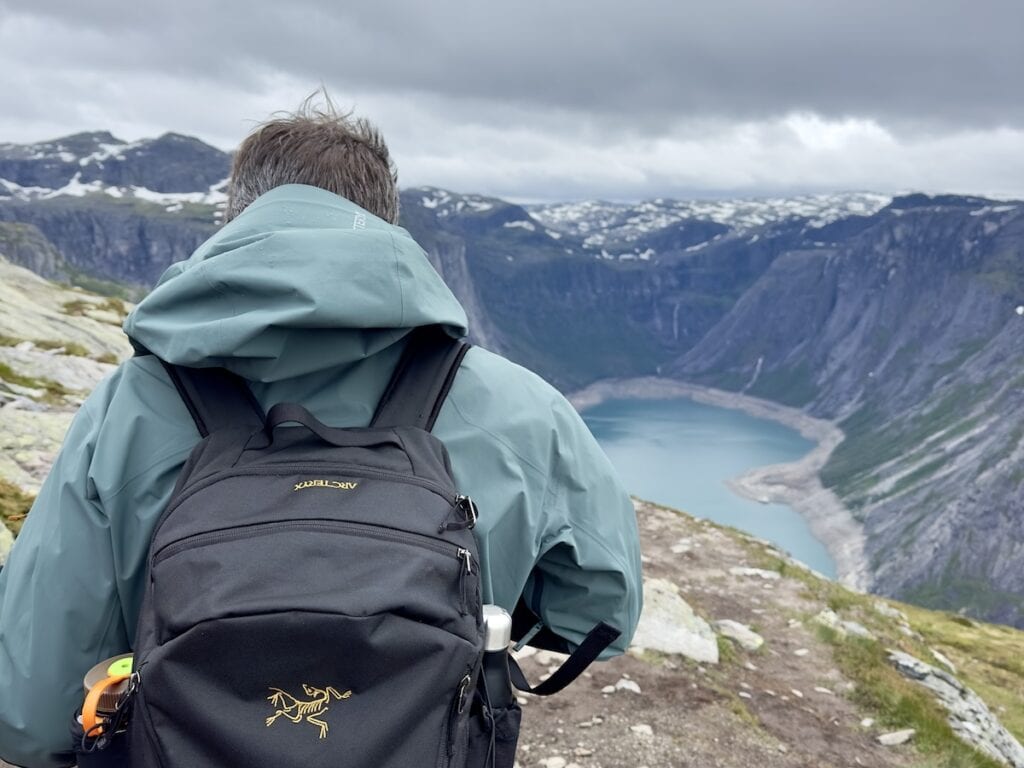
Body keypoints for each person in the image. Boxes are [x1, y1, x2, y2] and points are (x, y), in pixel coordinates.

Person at [0, 99, 643, 768]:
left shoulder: (132, 407)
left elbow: (27, 715)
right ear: (386, 225)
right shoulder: (523, 410)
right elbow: (600, 615)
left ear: (233, 222)